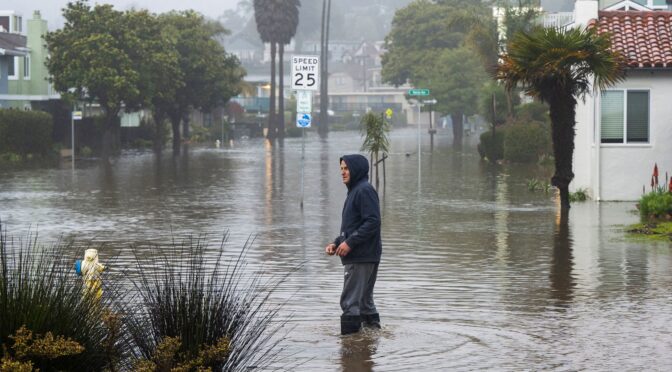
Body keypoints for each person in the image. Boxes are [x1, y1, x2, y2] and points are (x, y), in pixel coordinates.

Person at [326, 154, 382, 335]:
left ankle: (350, 351)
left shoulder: (363, 190)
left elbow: (373, 222)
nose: (343, 172)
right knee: (365, 302)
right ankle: (370, 342)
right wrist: (337, 243)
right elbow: (354, 225)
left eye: (346, 168)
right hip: (365, 254)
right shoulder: (356, 191)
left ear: (356, 169)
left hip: (360, 256)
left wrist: (349, 243)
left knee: (350, 302)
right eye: (341, 169)